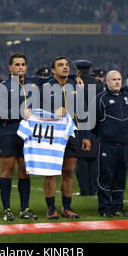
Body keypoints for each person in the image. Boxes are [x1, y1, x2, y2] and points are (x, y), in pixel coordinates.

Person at [41, 56, 91, 219]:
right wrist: (50, 114)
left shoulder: (75, 85)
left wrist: (86, 136)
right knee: (51, 172)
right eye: (60, 65)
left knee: (68, 171)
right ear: (53, 70)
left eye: (67, 65)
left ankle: (66, 208)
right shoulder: (45, 87)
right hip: (52, 135)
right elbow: (35, 110)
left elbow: (83, 111)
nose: (65, 67)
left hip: (72, 134)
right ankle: (50, 208)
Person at [0, 52, 40, 221]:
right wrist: (20, 113)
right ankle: (7, 209)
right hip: (8, 134)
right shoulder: (3, 86)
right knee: (6, 172)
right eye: (17, 64)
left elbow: (54, 79)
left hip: (28, 136)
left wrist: (75, 76)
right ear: (10, 67)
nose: (20, 67)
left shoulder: (34, 84)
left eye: (23, 64)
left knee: (24, 173)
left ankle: (25, 209)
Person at [93, 70, 128, 217]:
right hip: (107, 145)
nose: (117, 82)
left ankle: (118, 207)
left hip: (124, 146)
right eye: (114, 79)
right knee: (105, 176)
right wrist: (105, 136)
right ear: (107, 82)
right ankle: (104, 208)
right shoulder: (100, 99)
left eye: (119, 79)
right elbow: (93, 123)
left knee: (120, 177)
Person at [73, 60, 100, 197]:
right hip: (96, 126)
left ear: (77, 71)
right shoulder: (99, 85)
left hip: (80, 125)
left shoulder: (76, 85)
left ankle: (85, 189)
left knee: (81, 159)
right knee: (94, 158)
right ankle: (94, 189)